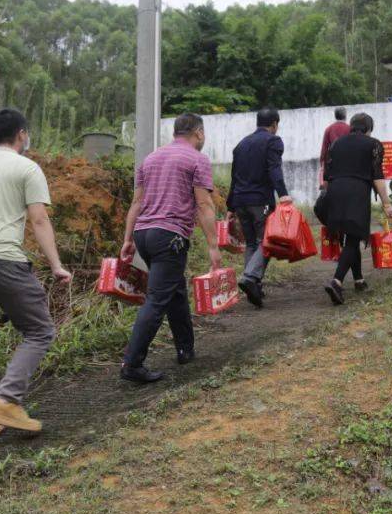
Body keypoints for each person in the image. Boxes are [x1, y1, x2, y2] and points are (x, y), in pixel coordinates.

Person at [0, 108, 71, 448]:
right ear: (21, 134)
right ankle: (6, 400)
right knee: (40, 330)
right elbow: (38, 219)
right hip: (3, 259)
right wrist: (56, 265)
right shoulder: (26, 167)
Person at [119, 113, 222, 383]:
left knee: (174, 290)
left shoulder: (150, 159)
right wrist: (213, 245)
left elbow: (136, 203)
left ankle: (185, 348)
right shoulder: (197, 159)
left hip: (143, 234)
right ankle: (132, 364)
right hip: (169, 237)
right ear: (198, 133)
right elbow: (204, 205)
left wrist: (128, 240)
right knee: (157, 299)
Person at [319, 112, 392, 305]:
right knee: (353, 239)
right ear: (369, 129)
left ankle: (359, 280)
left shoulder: (336, 144)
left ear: (351, 126)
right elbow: (377, 176)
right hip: (356, 193)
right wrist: (386, 203)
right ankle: (336, 282)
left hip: (335, 191)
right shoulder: (373, 144)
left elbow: (327, 175)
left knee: (349, 238)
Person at [226, 108, 292, 308]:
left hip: (240, 201)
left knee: (252, 244)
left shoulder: (241, 144)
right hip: (259, 200)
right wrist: (283, 194)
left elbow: (234, 176)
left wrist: (230, 205)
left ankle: (254, 285)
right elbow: (274, 168)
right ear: (274, 124)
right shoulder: (273, 141)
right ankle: (250, 278)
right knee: (266, 241)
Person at [318, 107, 351, 185]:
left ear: (335, 116)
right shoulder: (350, 129)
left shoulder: (328, 129)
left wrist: (322, 163)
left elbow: (324, 148)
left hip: (333, 164)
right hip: (347, 163)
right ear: (345, 116)